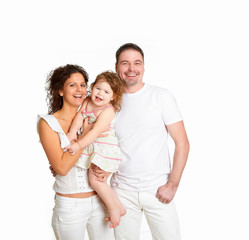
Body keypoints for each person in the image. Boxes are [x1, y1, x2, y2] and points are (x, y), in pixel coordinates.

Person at [106, 43, 190, 240]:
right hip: (121, 191)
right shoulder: (109, 102)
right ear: (116, 66)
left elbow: (183, 143)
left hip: (157, 189)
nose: (131, 69)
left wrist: (173, 184)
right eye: (125, 63)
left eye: (137, 63)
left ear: (144, 66)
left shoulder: (161, 96)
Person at [37, 64, 114, 240]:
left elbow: (112, 149)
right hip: (70, 206)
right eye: (72, 85)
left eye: (82, 85)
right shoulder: (48, 123)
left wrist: (107, 170)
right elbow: (62, 168)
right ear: (60, 91)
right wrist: (85, 134)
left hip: (100, 201)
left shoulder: (97, 115)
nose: (79, 90)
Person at [64, 71, 126, 228]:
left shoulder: (108, 110)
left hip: (104, 146)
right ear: (92, 87)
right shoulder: (86, 101)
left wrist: (78, 144)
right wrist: (71, 133)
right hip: (91, 144)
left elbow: (95, 132)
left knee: (96, 179)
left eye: (106, 92)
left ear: (112, 96)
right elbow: (79, 118)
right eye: (98, 89)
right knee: (95, 179)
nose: (100, 94)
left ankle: (114, 208)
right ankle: (119, 206)